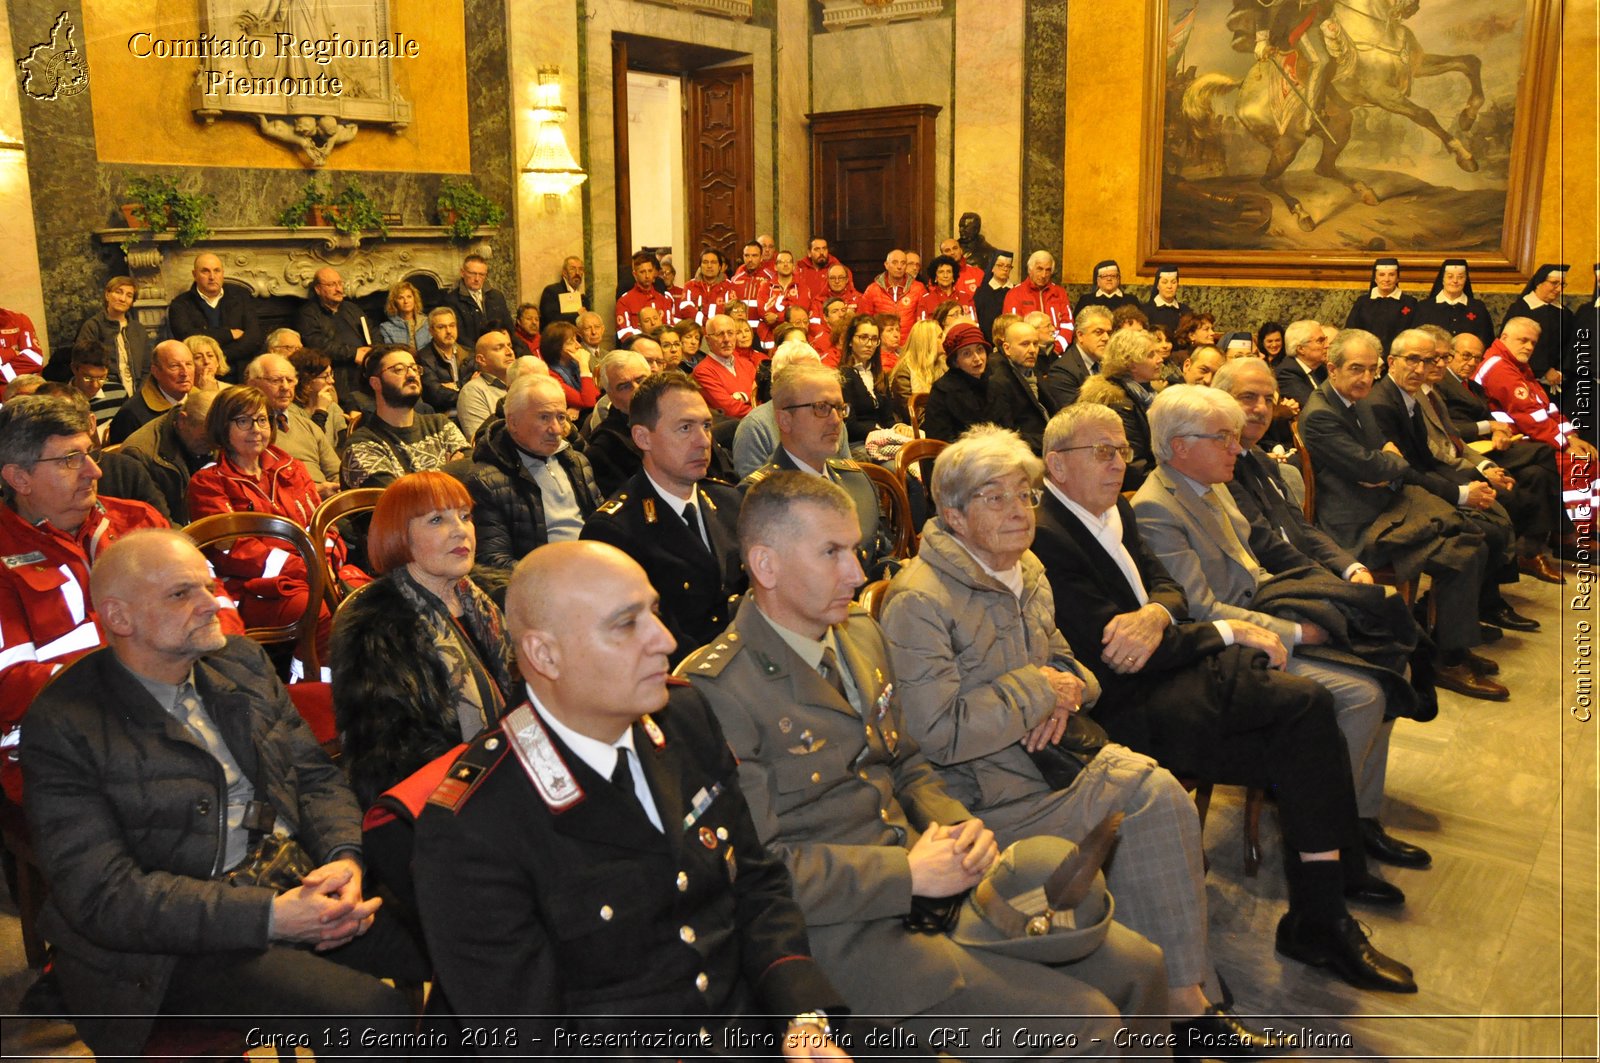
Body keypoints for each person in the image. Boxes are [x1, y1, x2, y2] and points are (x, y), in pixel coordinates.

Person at [680, 473, 1175, 1057]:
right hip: (848, 930)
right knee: (1086, 1026)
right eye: (831, 553)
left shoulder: (859, 635)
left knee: (1142, 967)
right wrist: (907, 874)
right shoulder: (715, 690)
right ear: (765, 565)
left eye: (856, 549)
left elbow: (908, 762)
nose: (858, 574)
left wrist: (956, 826)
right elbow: (758, 872)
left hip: (939, 883)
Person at [878, 425, 1282, 1044]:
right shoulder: (920, 600)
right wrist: (1041, 690)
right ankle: (1183, 1002)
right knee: (1154, 795)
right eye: (995, 497)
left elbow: (1074, 668)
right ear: (953, 515)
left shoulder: (1026, 567)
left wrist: (1064, 689)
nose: (1018, 510)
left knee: (1156, 792)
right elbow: (937, 734)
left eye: (1024, 494)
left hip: (1051, 758)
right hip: (984, 794)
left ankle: (1178, 995)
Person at [412, 540, 856, 1056]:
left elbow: (756, 884)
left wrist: (802, 1018)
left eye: (655, 612)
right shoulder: (477, 824)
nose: (665, 640)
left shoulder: (685, 717)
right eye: (626, 624)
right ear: (544, 654)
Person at [1033, 406, 1418, 994]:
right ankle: (1325, 903)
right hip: (1124, 704)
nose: (1119, 463)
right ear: (1056, 466)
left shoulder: (1116, 509)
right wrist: (1227, 632)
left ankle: (1324, 904)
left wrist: (1156, 612)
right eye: (1102, 453)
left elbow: (1170, 591)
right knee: (1304, 712)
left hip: (1172, 672)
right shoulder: (1047, 535)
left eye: (1120, 449)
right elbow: (1118, 654)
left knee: (1308, 714)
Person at [22, 529, 423, 1057]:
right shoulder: (63, 723)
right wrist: (270, 917)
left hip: (294, 874)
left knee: (466, 931)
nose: (212, 603)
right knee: (373, 1018)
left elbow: (313, 774)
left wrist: (342, 856)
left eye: (207, 585)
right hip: (173, 944)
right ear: (119, 618)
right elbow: (106, 897)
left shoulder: (240, 662)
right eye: (180, 594)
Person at [1135, 383, 1442, 858]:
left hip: (1266, 609)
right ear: (1181, 445)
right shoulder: (1157, 507)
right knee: (1364, 693)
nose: (1237, 447)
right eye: (1223, 437)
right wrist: (1299, 631)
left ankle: (1358, 815)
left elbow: (1262, 557)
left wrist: (1327, 591)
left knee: (1392, 658)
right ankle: (1339, 834)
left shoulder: (1210, 486)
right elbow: (1198, 610)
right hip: (1227, 645)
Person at [1294, 333, 1513, 696]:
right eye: (1356, 369)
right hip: (1357, 523)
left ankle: (1446, 643)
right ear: (1332, 369)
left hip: (1387, 503)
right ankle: (1449, 659)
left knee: (1473, 536)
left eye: (1371, 369)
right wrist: (1385, 463)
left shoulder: (1357, 398)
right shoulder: (1320, 414)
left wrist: (1384, 464)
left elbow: (1386, 461)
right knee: (1464, 551)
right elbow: (1375, 466)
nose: (1366, 378)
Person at [330, 471, 517, 808]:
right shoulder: (375, 628)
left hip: (507, 770)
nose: (461, 530)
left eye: (464, 516)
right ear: (401, 536)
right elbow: (394, 760)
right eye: (436, 520)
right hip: (438, 802)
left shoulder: (487, 598)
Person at [188, 385, 368, 664]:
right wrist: (307, 567)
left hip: (315, 574)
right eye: (243, 421)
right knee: (322, 612)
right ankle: (311, 693)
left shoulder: (290, 466)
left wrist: (326, 560)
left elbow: (321, 526)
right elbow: (233, 552)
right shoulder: (209, 482)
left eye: (261, 420)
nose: (256, 429)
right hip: (252, 588)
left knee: (371, 602)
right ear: (223, 427)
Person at [582, 373, 746, 667]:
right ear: (643, 438)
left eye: (706, 426)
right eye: (685, 428)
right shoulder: (615, 530)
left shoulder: (729, 501)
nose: (703, 441)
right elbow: (633, 646)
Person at [1370, 329, 1552, 586]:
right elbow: (1420, 462)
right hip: (1407, 492)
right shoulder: (1385, 401)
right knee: (1487, 522)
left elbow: (1440, 448)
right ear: (1391, 362)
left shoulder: (1420, 394)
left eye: (1433, 360)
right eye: (1415, 360)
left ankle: (1506, 581)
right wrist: (1463, 490)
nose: (1424, 368)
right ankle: (1483, 601)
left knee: (1527, 479)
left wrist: (1480, 472)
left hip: (1440, 470)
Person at [741, 363, 895, 578]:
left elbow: (880, 555)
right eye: (821, 408)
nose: (836, 421)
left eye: (840, 408)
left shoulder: (857, 480)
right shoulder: (759, 496)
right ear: (785, 420)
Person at [1474, 315, 1599, 537]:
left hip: (1531, 438)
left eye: (1532, 342)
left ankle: (1583, 528)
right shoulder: (1499, 367)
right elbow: (1528, 416)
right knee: (1577, 462)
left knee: (1588, 458)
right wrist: (1564, 445)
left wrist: (1572, 437)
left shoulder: (1517, 365)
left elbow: (1546, 408)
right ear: (1504, 337)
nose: (1529, 346)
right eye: (1523, 340)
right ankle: (1570, 536)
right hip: (1512, 442)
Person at [465, 374, 602, 570]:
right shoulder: (486, 481)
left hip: (596, 567)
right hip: (546, 583)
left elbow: (603, 525)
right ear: (513, 422)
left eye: (561, 417)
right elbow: (493, 561)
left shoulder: (577, 462)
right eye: (544, 417)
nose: (556, 429)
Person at [341, 345, 470, 489]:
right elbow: (399, 499)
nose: (411, 375)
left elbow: (473, 469)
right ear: (375, 383)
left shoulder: (440, 424)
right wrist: (448, 472)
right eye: (399, 370)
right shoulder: (361, 445)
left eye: (414, 368)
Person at [731, 345, 851, 479]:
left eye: (818, 371)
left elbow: (847, 474)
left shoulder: (833, 416)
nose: (835, 420)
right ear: (778, 380)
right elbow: (755, 491)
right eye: (821, 406)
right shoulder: (755, 426)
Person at [1075, 329, 1163, 489]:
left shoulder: (1149, 394)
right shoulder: (1119, 404)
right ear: (1131, 364)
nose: (1160, 359)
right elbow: (1133, 466)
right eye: (1151, 355)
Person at [243, 353, 340, 496]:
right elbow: (254, 486)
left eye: (290, 380)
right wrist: (314, 490)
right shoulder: (247, 431)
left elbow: (336, 472)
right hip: (282, 510)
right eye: (275, 380)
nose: (285, 387)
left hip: (327, 507)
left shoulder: (308, 425)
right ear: (253, 384)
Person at [166, 252, 263, 371]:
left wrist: (219, 357)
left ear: (222, 273)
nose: (212, 277)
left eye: (216, 270)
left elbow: (254, 338)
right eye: (205, 271)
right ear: (194, 274)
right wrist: (228, 334)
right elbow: (187, 337)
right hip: (200, 371)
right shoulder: (180, 304)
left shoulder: (241, 296)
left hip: (239, 371)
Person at [294, 267, 373, 401]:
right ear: (318, 289)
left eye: (340, 283)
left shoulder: (352, 309)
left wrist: (373, 351)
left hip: (365, 369)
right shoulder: (308, 314)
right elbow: (317, 344)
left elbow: (371, 329)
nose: (339, 289)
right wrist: (354, 354)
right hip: (335, 375)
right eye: (331, 285)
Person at [583, 350, 652, 497]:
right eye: (624, 386)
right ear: (610, 396)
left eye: (641, 380)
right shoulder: (605, 447)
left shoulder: (677, 418)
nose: (637, 389)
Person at [75, 276, 151, 405]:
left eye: (129, 295)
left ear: (132, 302)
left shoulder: (139, 330)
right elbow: (84, 364)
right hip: (104, 393)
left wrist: (140, 394)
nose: (122, 299)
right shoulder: (93, 326)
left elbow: (147, 367)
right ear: (107, 295)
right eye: (118, 292)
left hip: (138, 394)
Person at [1499, 263, 1572, 390]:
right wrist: (1544, 370)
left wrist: (1560, 371)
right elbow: (1510, 344)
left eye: (1562, 285)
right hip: (1522, 379)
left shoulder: (1564, 313)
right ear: (1539, 282)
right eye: (1554, 283)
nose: (1559, 289)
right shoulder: (1520, 309)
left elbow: (1569, 345)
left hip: (1556, 382)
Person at [107, 338, 194, 444]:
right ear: (156, 371)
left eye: (189, 364)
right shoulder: (131, 414)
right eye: (174, 366)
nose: (185, 373)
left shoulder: (205, 401)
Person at [986, 319, 1051, 453]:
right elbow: (1007, 436)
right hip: (1025, 454)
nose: (1032, 350)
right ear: (1007, 348)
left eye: (1036, 344)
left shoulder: (1034, 372)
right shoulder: (999, 382)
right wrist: (1049, 441)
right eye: (1025, 344)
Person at [921, 322, 990, 445]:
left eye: (980, 350)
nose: (977, 359)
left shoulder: (993, 381)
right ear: (955, 362)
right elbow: (940, 442)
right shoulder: (943, 390)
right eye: (967, 354)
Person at [835, 315, 894, 453]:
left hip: (883, 439)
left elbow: (888, 418)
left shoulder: (880, 375)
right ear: (850, 341)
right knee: (902, 467)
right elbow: (849, 425)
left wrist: (898, 428)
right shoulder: (842, 376)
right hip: (857, 444)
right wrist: (881, 431)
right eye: (863, 337)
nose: (869, 344)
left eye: (874, 339)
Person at [1411, 258, 1494, 350]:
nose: (1455, 281)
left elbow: (1487, 341)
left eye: (1460, 277)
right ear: (1442, 279)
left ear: (1466, 280)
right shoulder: (1424, 307)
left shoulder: (1478, 308)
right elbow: (1415, 340)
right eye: (1450, 277)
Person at [1041, 305, 1111, 411]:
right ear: (1080, 335)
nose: (1106, 338)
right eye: (1098, 332)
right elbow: (1075, 417)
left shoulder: (1108, 364)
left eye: (1109, 333)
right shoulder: (1062, 371)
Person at [1002, 251, 1074, 353]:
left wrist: (1057, 348)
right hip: (1027, 351)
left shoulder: (1060, 292)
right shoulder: (1015, 294)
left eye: (1048, 270)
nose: (1044, 275)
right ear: (1030, 270)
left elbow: (1068, 325)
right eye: (1039, 269)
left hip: (1057, 351)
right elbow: (1011, 329)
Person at [1344, 258, 1417, 356]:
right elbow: (1351, 331)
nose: (1386, 279)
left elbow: (1412, 334)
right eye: (1381, 275)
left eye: (1391, 275)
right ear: (1375, 278)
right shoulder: (1362, 302)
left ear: (1398, 278)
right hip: (1364, 355)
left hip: (1398, 357)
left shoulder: (1409, 303)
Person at [694, 314, 760, 419]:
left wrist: (740, 396)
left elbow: (760, 399)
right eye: (720, 334)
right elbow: (730, 410)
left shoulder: (747, 365)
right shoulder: (702, 371)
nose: (726, 339)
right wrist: (758, 409)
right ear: (708, 340)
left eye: (730, 333)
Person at [442, 254, 513, 348]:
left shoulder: (497, 296)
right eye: (472, 273)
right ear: (462, 273)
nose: (477, 279)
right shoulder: (452, 301)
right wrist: (482, 350)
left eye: (481, 274)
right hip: (472, 351)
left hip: (501, 348)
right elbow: (459, 336)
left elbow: (508, 326)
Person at [415, 306, 476, 415]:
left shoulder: (469, 353)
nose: (448, 331)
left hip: (472, 409)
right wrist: (465, 387)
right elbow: (436, 395)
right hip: (443, 415)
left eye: (452, 326)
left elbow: (477, 385)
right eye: (441, 327)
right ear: (431, 331)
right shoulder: (423, 357)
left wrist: (455, 385)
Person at [288, 346, 349, 452]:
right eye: (325, 376)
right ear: (306, 380)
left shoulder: (333, 407)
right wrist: (320, 411)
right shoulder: (291, 411)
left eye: (331, 374)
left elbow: (344, 447)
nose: (331, 381)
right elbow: (310, 447)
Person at [888, 319, 946, 427]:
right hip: (919, 431)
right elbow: (914, 416)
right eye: (940, 336)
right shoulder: (904, 372)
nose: (945, 339)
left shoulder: (944, 366)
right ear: (928, 342)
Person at [616, 251, 678, 342]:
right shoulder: (624, 301)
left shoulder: (664, 300)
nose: (647, 276)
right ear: (635, 274)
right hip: (637, 349)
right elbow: (624, 333)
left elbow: (670, 328)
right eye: (642, 272)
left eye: (650, 271)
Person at [860, 249, 923, 337]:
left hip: (909, 345)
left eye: (903, 263)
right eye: (894, 262)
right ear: (886, 265)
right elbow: (863, 321)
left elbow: (922, 321)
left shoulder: (918, 288)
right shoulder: (873, 289)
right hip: (881, 345)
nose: (899, 266)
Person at [1272, 319, 1329, 409]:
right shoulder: (1286, 373)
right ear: (1301, 349)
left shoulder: (1321, 369)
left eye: (1325, 340)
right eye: (1320, 341)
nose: (1327, 345)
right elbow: (1315, 406)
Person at [376, 278, 431, 350]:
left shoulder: (427, 322)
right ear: (394, 302)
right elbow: (391, 354)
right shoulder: (386, 328)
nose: (406, 301)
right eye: (400, 298)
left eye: (409, 297)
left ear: (414, 299)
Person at [538, 255, 590, 326]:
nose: (577, 273)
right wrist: (577, 314)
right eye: (573, 269)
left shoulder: (584, 299)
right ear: (564, 273)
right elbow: (550, 319)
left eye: (580, 269)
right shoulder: (552, 291)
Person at [1141, 267, 1190, 337]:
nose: (1169, 286)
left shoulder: (1185, 310)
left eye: (1173, 282)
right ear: (1157, 285)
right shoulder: (1145, 311)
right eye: (1164, 282)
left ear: (1178, 285)